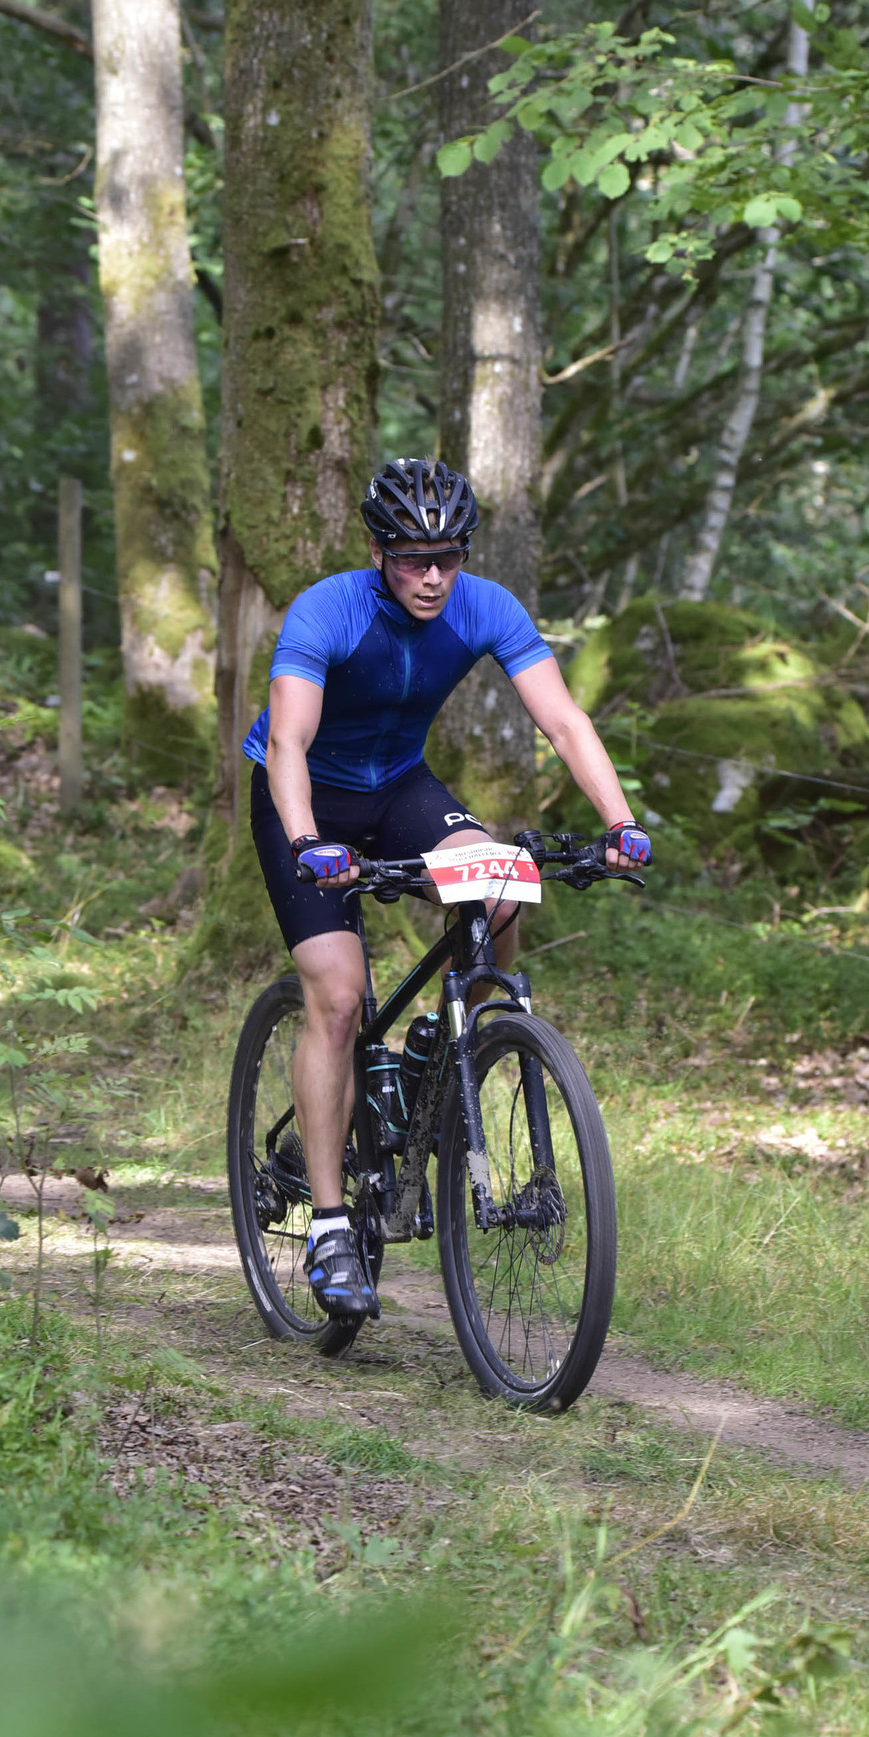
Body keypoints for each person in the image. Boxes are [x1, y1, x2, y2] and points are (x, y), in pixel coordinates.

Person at [241, 457, 651, 1319]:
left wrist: (620, 823)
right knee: (339, 997)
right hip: (304, 798)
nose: (431, 577)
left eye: (447, 558)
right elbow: (287, 743)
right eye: (411, 559)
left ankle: (439, 1048)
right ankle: (328, 1227)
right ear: (377, 553)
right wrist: (308, 841)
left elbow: (564, 720)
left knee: (500, 887)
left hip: (398, 788)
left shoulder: (485, 606)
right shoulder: (326, 610)